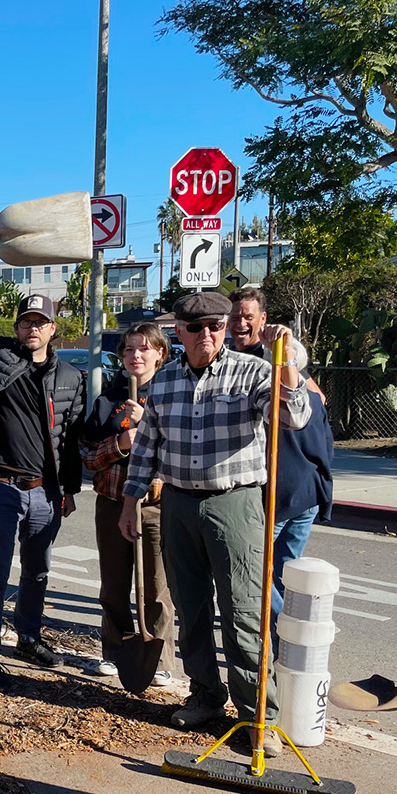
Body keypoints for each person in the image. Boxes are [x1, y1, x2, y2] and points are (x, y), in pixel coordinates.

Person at [120, 291, 310, 758]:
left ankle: (258, 715)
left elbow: (294, 416)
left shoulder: (253, 371)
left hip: (235, 504)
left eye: (216, 326)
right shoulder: (164, 381)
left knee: (244, 612)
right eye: (196, 327)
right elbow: (146, 447)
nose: (207, 334)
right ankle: (205, 695)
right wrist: (130, 501)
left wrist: (285, 361)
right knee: (191, 609)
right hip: (178, 503)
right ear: (179, 332)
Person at [0, 232, 86, 688]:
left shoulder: (71, 377)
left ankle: (28, 637)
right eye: (26, 321)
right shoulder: (0, 357)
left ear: (53, 328)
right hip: (1, 486)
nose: (33, 328)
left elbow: (70, 439)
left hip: (46, 493)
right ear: (18, 326)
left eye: (40, 322)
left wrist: (69, 490)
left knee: (38, 571)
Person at [227, 288, 334, 627]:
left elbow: (306, 406)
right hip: (299, 491)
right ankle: (290, 635)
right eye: (234, 317)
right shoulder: (232, 363)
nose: (240, 323)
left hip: (282, 493)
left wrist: (282, 352)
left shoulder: (273, 365)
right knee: (280, 573)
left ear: (262, 319)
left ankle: (283, 632)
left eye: (248, 316)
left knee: (255, 572)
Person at [79, 322, 176, 686]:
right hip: (112, 501)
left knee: (156, 587)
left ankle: (160, 658)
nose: (136, 356)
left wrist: (147, 425)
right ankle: (115, 650)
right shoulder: (107, 401)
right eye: (130, 349)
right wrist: (121, 442)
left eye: (144, 348)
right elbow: (88, 457)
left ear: (159, 354)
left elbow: (183, 453)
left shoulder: (172, 397)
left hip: (156, 507)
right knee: (114, 586)